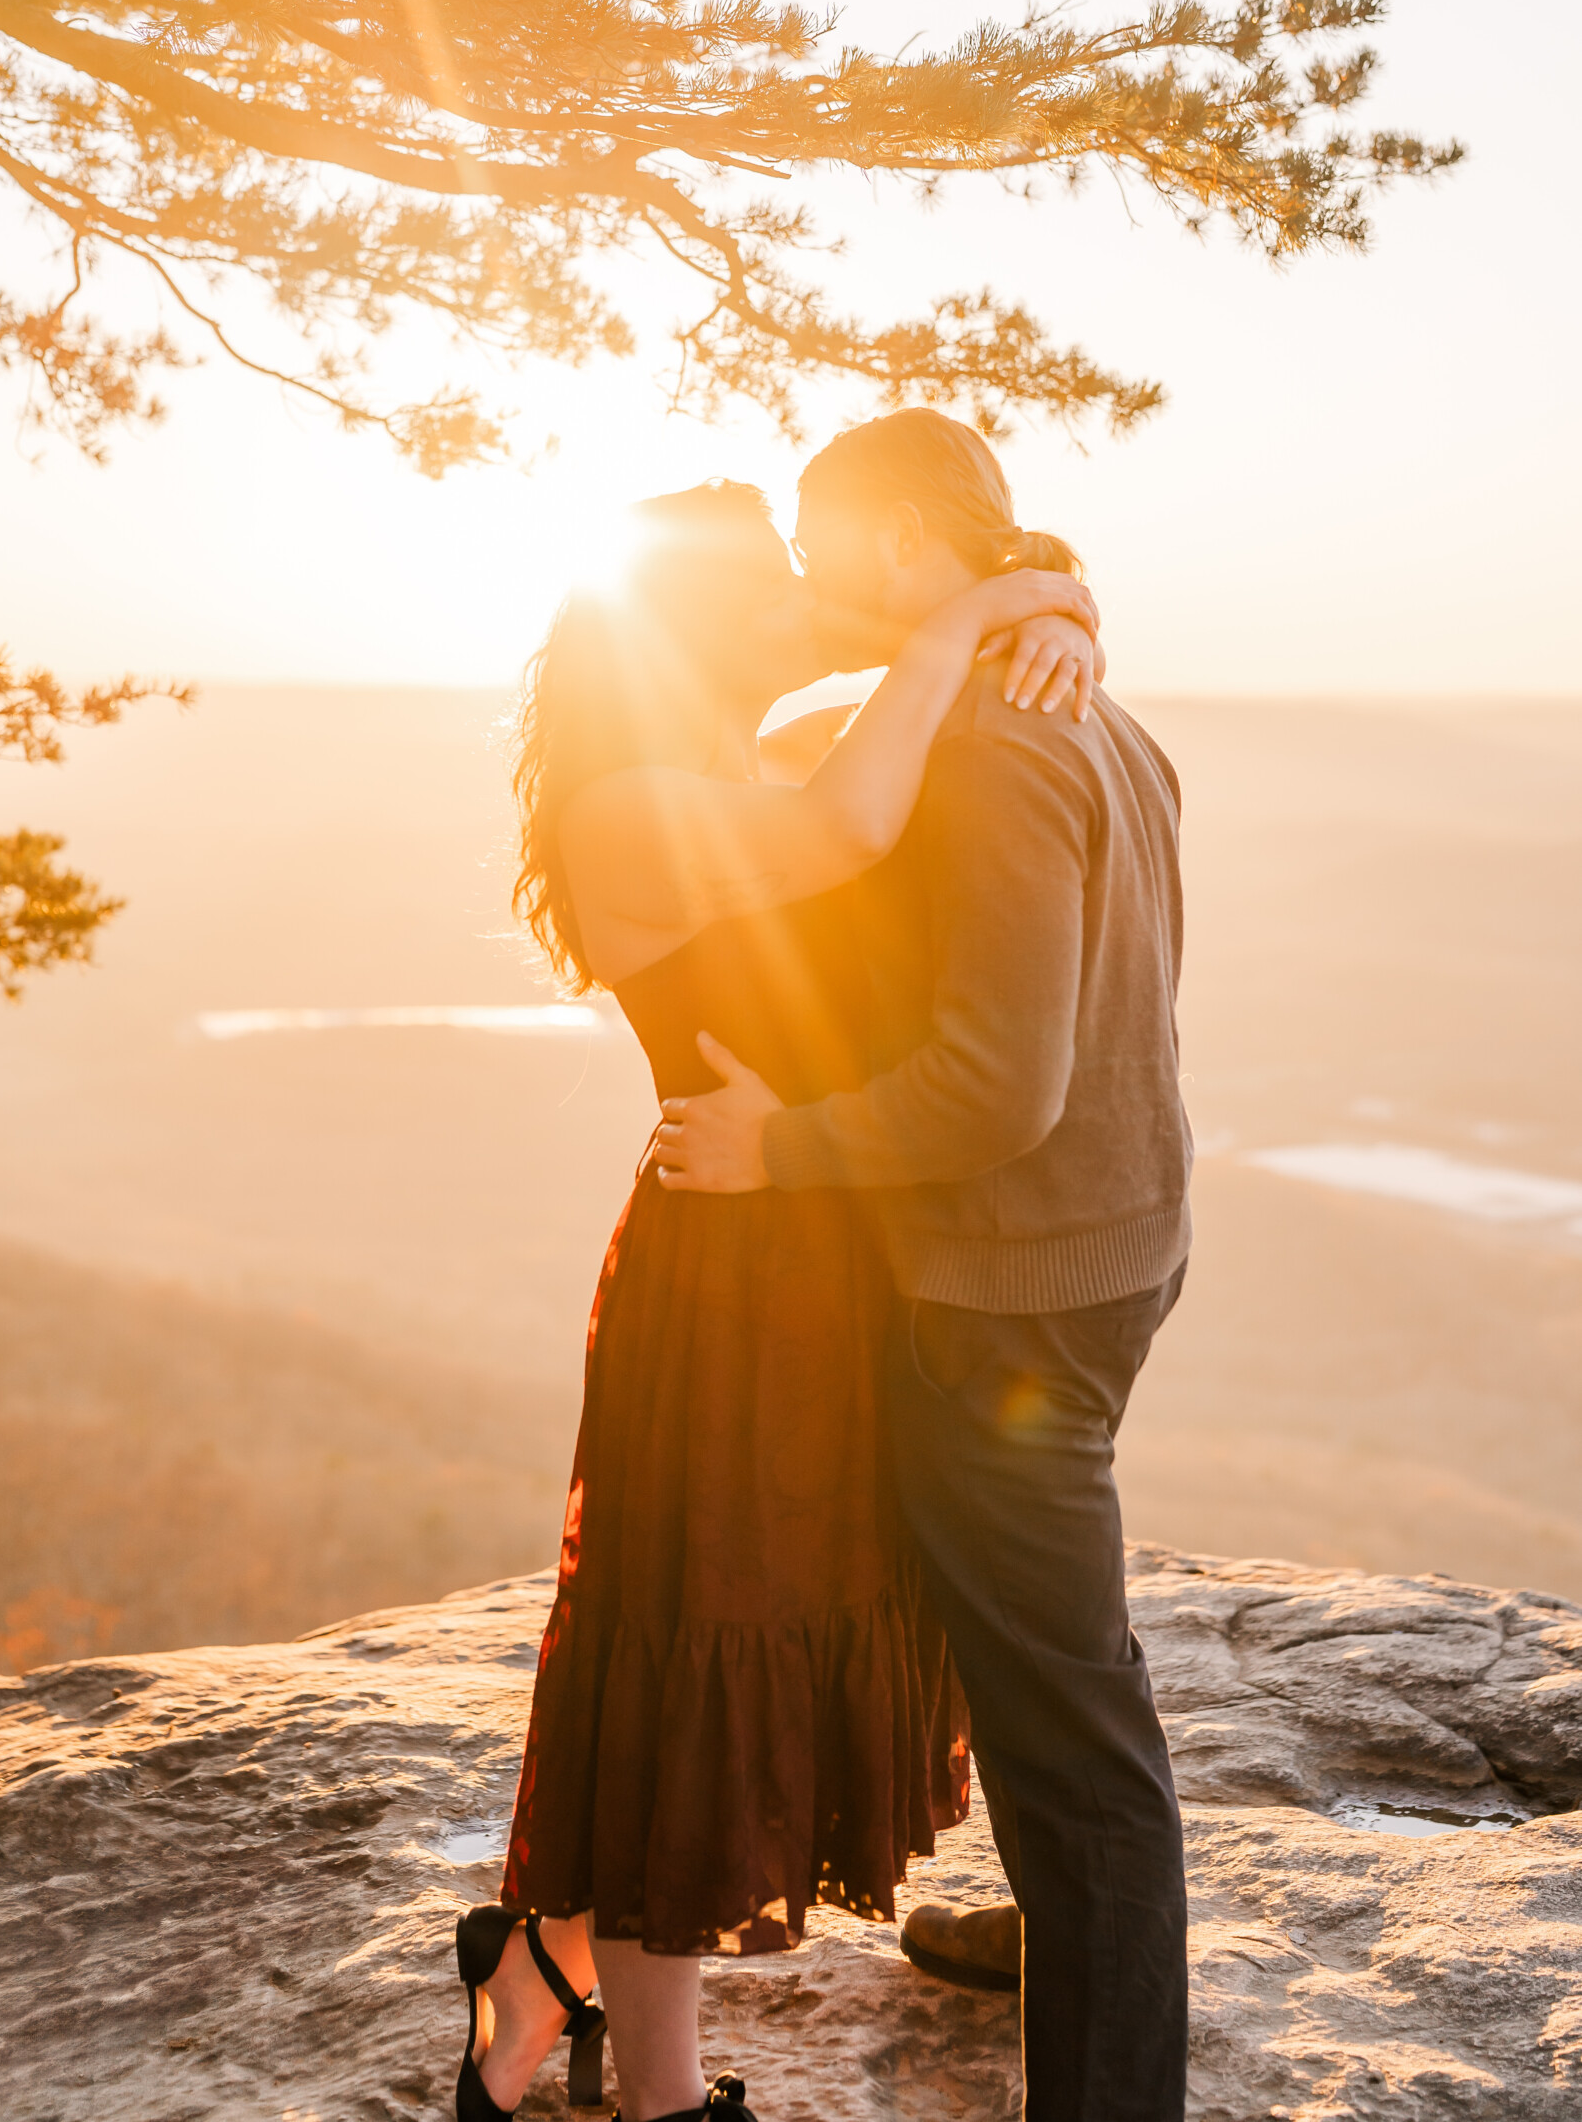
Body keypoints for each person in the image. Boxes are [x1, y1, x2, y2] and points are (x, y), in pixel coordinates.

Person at [455, 479, 1103, 2122]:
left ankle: (537, 1975)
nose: (798, 608)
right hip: (719, 1286)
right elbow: (849, 837)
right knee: (696, 1653)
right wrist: (982, 615)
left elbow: (899, 625)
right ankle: (658, 2098)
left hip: (818, 1259)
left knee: (764, 1628)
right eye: (759, 593)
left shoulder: (734, 759)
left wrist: (1058, 603)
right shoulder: (629, 809)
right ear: (680, 632)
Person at [659, 411, 1193, 2122]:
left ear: (897, 546)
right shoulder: (1089, 706)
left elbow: (999, 1085)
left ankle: (1109, 2072)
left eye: (827, 557)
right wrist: (1048, 592)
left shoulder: (991, 745)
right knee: (1017, 1642)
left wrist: (780, 1148)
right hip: (1106, 1246)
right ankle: (1051, 1925)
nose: (810, 591)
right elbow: (855, 620)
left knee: (1070, 1722)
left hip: (1015, 1290)